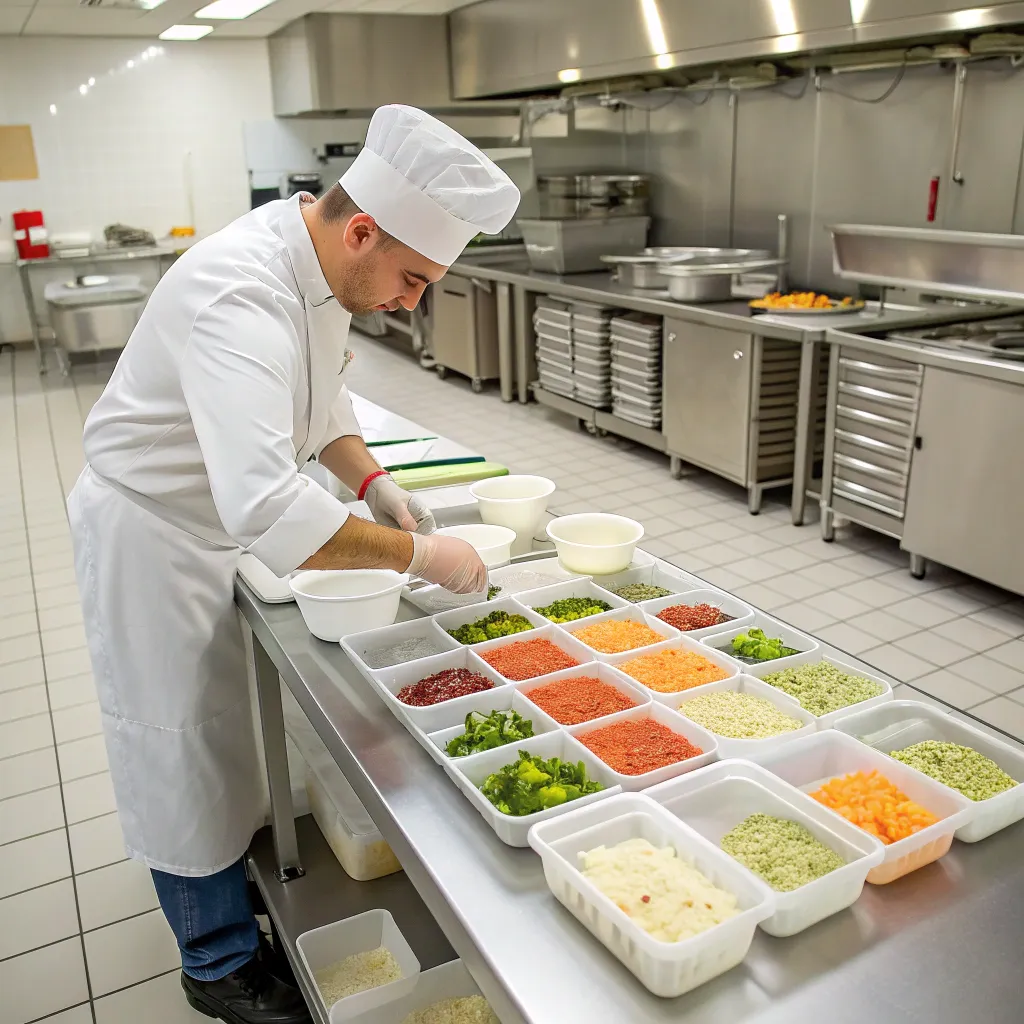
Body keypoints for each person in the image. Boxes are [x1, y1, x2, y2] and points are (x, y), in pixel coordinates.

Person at [68, 104, 520, 1024]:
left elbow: (321, 398)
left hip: (210, 527)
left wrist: (373, 481)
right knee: (180, 744)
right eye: (413, 278)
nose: (412, 302)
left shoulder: (312, 264)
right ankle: (217, 964)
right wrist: (422, 553)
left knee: (227, 730)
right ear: (363, 231)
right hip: (153, 537)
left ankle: (230, 896)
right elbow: (267, 505)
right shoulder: (241, 290)